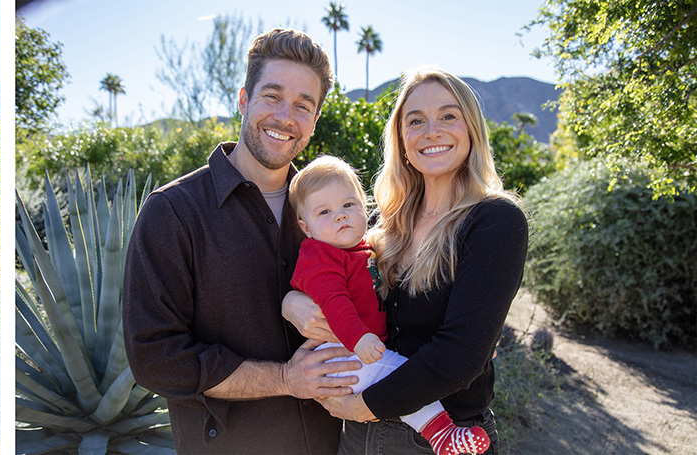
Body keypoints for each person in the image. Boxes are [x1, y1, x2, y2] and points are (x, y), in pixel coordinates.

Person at [123, 29, 361, 454]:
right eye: (272, 96)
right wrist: (286, 378)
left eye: (303, 106)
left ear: (314, 120)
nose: (285, 117)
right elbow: (155, 357)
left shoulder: (334, 212)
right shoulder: (173, 212)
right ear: (243, 99)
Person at [284, 66, 528, 455]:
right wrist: (292, 302)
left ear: (472, 129)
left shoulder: (494, 220)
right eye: (416, 121)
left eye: (449, 116)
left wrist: (362, 407)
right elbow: (330, 275)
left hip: (442, 437)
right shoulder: (386, 223)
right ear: (401, 139)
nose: (432, 131)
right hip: (358, 437)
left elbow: (459, 357)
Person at [288, 155, 489, 455]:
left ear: (364, 206)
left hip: (355, 349)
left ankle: (440, 432)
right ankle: (442, 434)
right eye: (325, 212)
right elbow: (335, 302)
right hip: (340, 353)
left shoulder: (361, 248)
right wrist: (359, 338)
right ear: (306, 227)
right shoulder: (319, 257)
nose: (340, 216)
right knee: (402, 376)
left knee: (397, 376)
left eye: (348, 205)